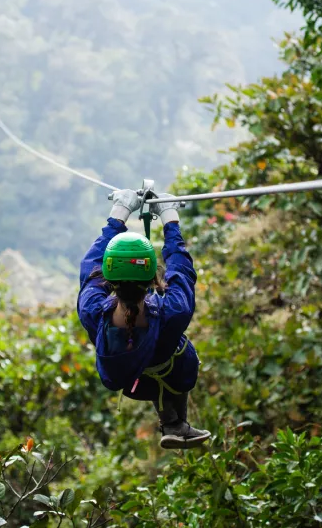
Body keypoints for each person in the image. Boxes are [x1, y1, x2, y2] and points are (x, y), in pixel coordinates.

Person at [77, 189, 211, 449]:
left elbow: (90, 265)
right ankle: (175, 421)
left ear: (108, 276)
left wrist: (119, 214)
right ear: (153, 278)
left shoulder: (92, 312)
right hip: (173, 372)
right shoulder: (172, 312)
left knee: (155, 359)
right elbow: (181, 270)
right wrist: (169, 218)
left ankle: (173, 423)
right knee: (176, 351)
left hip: (133, 382)